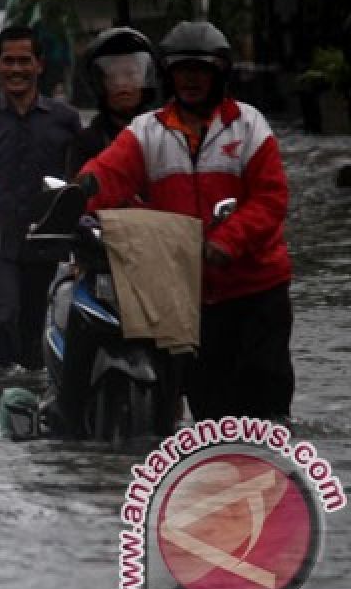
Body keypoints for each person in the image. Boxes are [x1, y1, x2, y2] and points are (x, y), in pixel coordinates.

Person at [77, 21, 294, 422]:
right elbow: (105, 176)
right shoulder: (147, 132)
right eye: (182, 70)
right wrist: (73, 196)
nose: (191, 79)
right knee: (209, 415)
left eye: (201, 69)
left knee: (270, 410)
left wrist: (227, 242)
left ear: (219, 74)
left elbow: (270, 199)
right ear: (168, 75)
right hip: (191, 298)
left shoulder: (251, 127)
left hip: (257, 292)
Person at [0, 25, 81, 371]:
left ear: (39, 65)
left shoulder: (66, 120)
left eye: (24, 61)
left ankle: (26, 406)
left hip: (49, 244)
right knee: (0, 319)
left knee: (35, 334)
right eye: (8, 61)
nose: (16, 69)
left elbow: (83, 178)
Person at [66, 27, 159, 178]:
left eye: (131, 74)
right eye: (112, 75)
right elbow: (79, 195)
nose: (122, 84)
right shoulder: (87, 142)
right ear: (99, 83)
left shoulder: (165, 134)